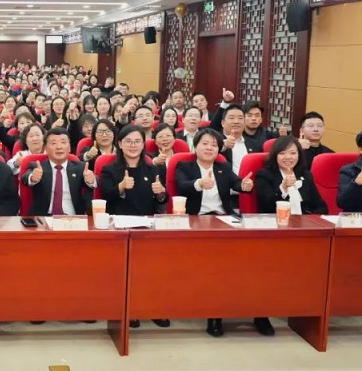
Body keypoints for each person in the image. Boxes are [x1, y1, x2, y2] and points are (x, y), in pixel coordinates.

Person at [174, 128, 256, 338]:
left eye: (214, 145)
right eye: (205, 143)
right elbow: (181, 186)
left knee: (247, 259)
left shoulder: (223, 167)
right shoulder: (184, 166)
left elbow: (236, 183)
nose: (209, 148)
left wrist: (244, 185)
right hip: (195, 221)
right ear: (195, 146)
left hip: (222, 220)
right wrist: (199, 183)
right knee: (214, 265)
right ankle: (214, 314)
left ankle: (256, 310)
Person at [98, 124, 169, 329]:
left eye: (137, 141)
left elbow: (163, 200)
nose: (133, 145)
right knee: (125, 270)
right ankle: (129, 310)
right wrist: (120, 187)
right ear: (120, 144)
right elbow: (105, 197)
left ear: (143, 144)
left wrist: (160, 192)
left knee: (151, 269)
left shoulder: (154, 169)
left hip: (147, 226)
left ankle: (151, 308)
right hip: (119, 227)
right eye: (128, 141)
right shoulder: (110, 169)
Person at [21, 128, 96, 215]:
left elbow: (96, 180)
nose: (59, 147)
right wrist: (33, 178)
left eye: (63, 142)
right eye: (53, 143)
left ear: (69, 147)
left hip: (72, 217)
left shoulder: (80, 167)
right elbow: (25, 178)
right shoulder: (37, 167)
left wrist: (92, 180)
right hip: (44, 218)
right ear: (45, 148)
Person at [255, 136, 327, 215]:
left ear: (299, 155)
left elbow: (321, 207)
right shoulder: (264, 175)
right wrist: (283, 189)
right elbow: (268, 207)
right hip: (277, 220)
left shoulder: (305, 174)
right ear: (275, 155)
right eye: (282, 153)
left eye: (293, 153)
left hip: (304, 220)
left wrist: (311, 219)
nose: (288, 157)